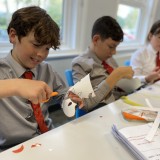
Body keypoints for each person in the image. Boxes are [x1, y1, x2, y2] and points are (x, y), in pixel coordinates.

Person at [0, 6, 83, 150]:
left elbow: (63, 94)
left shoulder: (46, 69)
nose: (41, 54)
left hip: (48, 137)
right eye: (36, 44)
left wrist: (71, 97)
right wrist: (16, 86)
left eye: (47, 48)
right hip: (12, 149)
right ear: (13, 36)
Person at [72, 16, 134, 112]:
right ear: (96, 40)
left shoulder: (109, 59)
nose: (114, 52)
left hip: (121, 105)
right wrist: (116, 75)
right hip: (103, 113)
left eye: (116, 47)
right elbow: (85, 103)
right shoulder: (80, 63)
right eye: (111, 46)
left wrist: (127, 79)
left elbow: (118, 87)